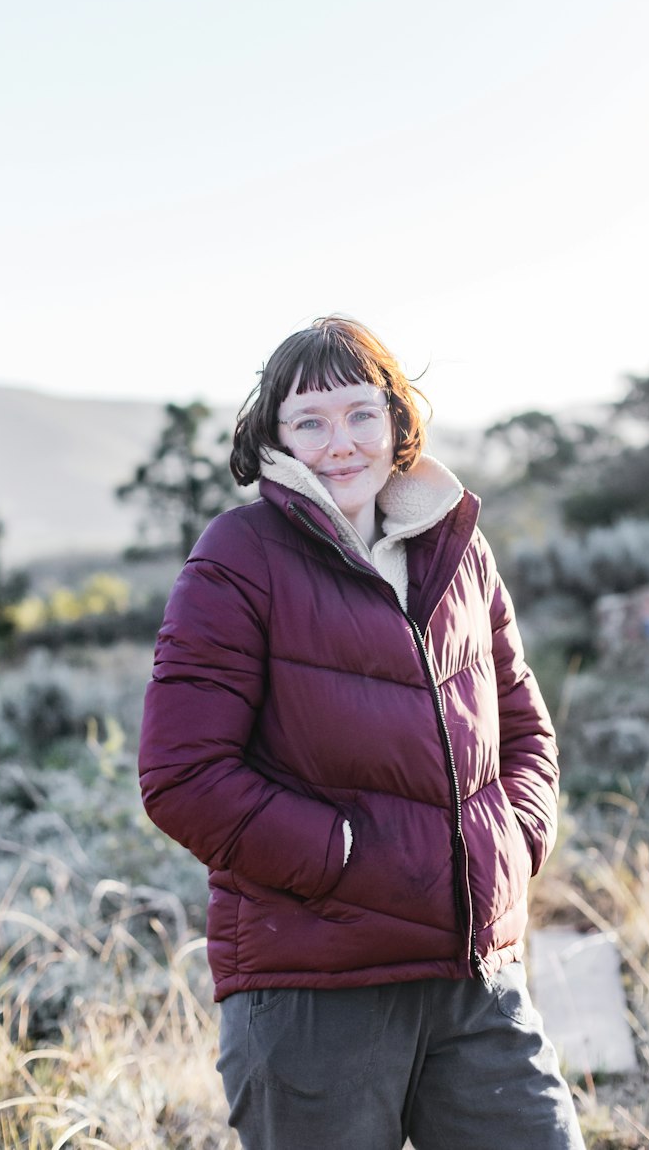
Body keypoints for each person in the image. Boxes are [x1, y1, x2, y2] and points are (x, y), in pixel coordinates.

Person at [138, 317, 585, 1150]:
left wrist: (514, 843)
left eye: (358, 415)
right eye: (309, 422)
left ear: (395, 421)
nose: (339, 443)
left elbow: (523, 721)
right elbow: (181, 776)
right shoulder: (237, 556)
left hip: (475, 977)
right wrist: (343, 857)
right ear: (272, 439)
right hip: (314, 986)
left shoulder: (457, 547)